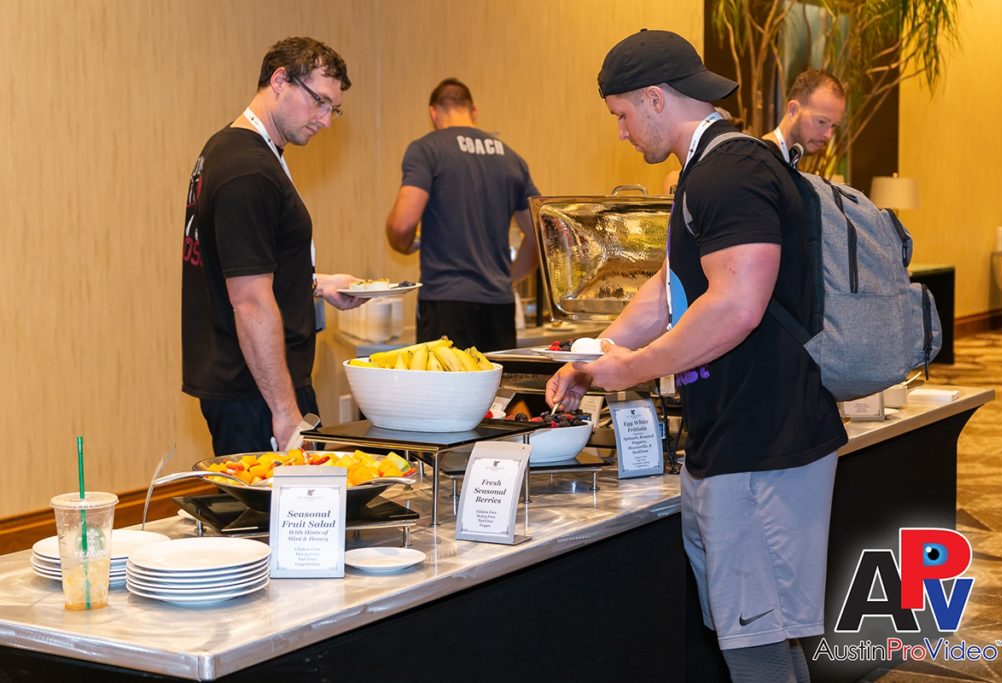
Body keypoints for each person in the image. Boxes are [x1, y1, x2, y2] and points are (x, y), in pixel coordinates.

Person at [546, 29, 848, 682]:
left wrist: (628, 368)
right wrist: (601, 351)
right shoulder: (705, 168)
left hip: (764, 441)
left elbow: (737, 304)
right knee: (762, 634)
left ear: (655, 98)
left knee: (756, 642)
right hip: (738, 435)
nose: (622, 133)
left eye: (621, 115)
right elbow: (672, 288)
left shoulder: (729, 171)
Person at [181, 37, 367, 456]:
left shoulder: (231, 150)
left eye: (333, 108)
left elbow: (240, 263)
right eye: (319, 101)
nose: (325, 120)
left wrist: (316, 283)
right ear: (280, 80)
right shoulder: (249, 170)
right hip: (258, 393)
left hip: (251, 385)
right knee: (278, 520)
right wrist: (284, 412)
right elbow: (249, 301)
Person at [385, 78, 540, 352]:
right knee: (496, 393)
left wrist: (402, 244)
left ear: (433, 112)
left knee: (444, 393)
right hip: (499, 307)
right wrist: (506, 277)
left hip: (446, 304)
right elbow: (539, 234)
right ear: (473, 111)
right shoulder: (511, 158)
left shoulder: (427, 149)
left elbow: (403, 223)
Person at [763, 68, 846, 168]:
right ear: (793, 110)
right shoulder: (759, 162)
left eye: (833, 126)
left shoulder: (786, 163)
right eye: (821, 121)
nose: (828, 135)